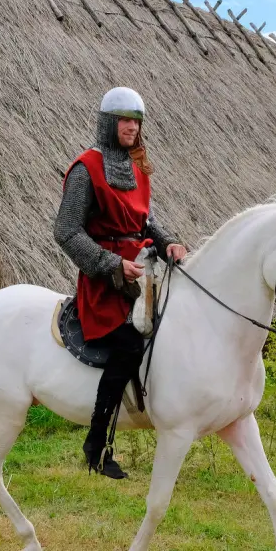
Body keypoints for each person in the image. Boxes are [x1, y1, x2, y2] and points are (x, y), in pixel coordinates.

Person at [54, 87, 188, 479]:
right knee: (130, 346)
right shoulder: (86, 168)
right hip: (104, 284)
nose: (132, 126)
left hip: (141, 275)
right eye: (125, 120)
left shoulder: (136, 167)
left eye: (137, 120)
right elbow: (65, 230)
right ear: (109, 123)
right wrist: (111, 263)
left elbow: (143, 221)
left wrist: (167, 244)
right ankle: (97, 443)